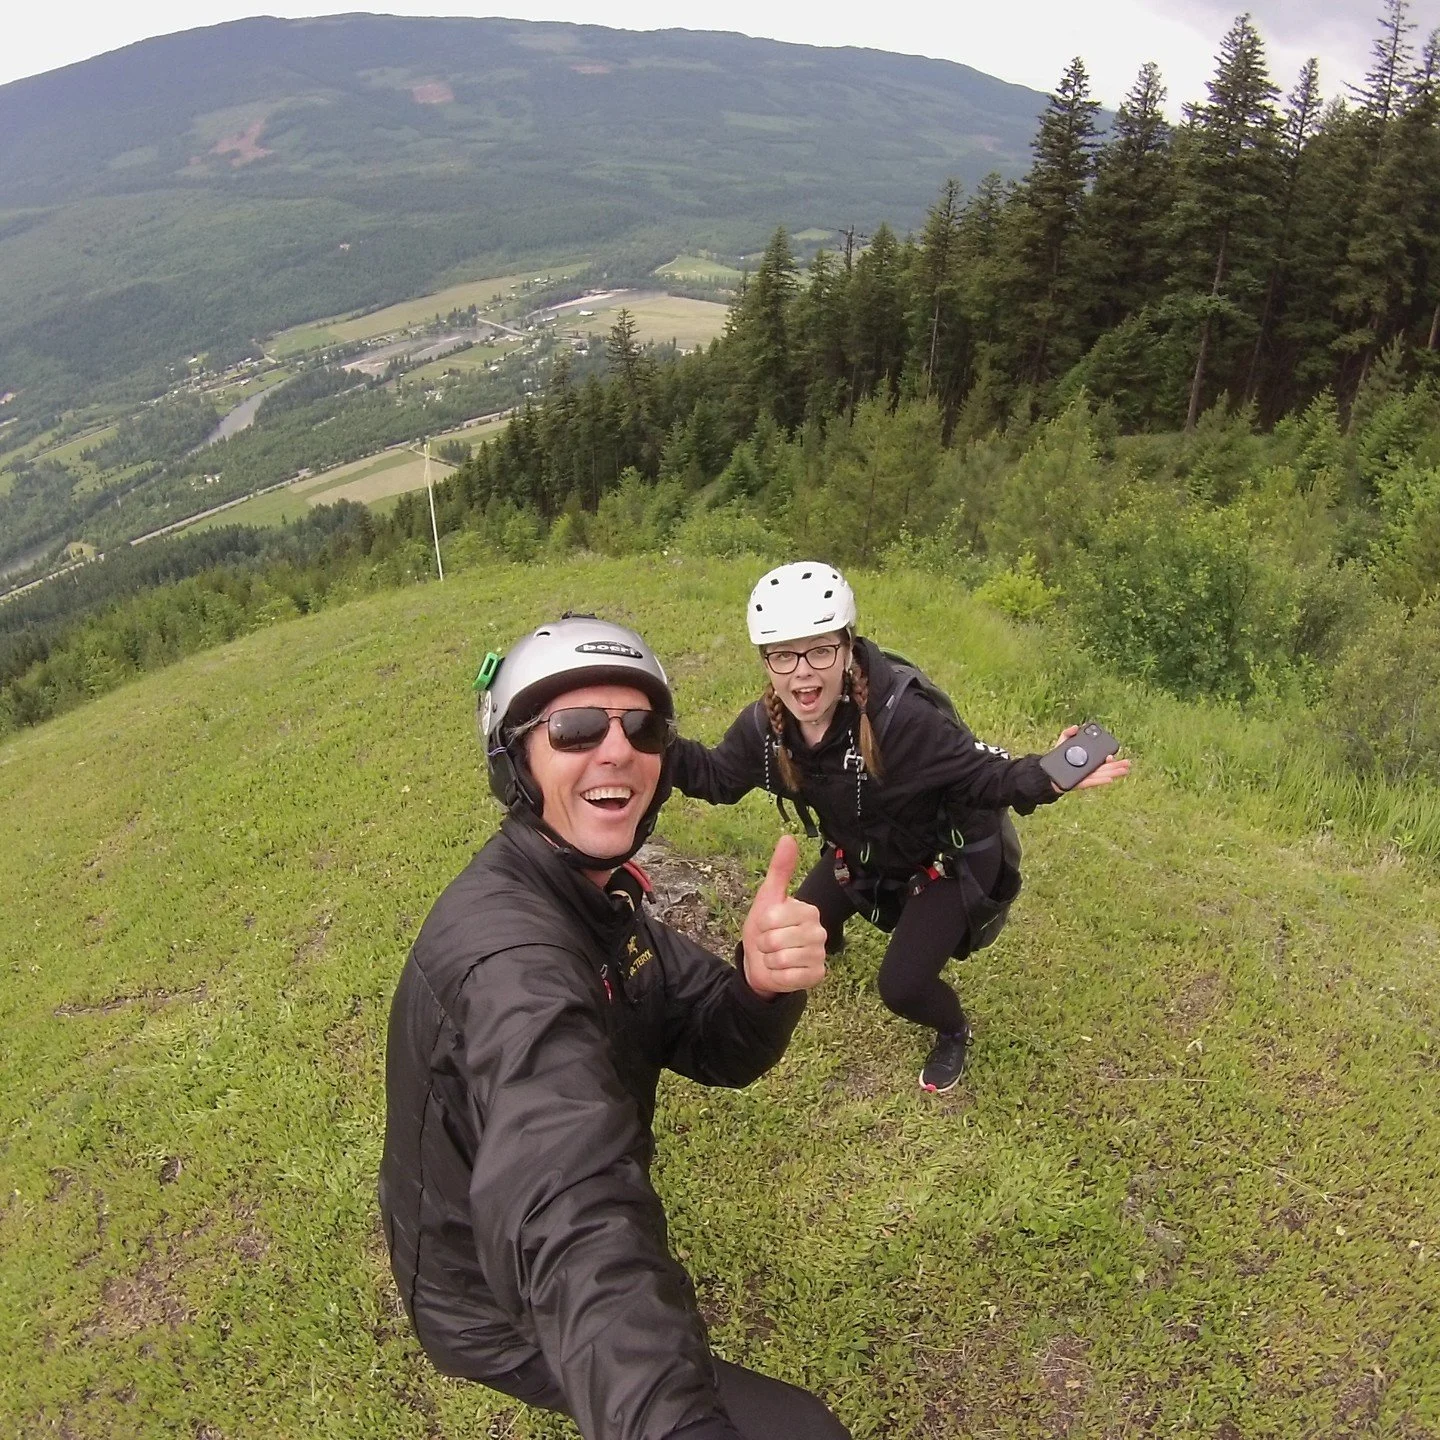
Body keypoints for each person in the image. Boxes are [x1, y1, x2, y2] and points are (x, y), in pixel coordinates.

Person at [378, 614, 850, 1440]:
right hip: (491, 1298)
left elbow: (710, 1038)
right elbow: (569, 1201)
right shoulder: (511, 962)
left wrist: (758, 986)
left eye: (644, 727)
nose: (616, 748)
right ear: (515, 761)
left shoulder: (594, 894)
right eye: (574, 728)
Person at [670, 562, 1131, 1095]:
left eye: (820, 650)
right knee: (781, 940)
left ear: (846, 647)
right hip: (860, 855)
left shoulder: (903, 721)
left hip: (939, 865)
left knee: (902, 986)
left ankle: (955, 1031)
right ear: (765, 661)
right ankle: (833, 934)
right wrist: (643, 740)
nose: (803, 674)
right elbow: (715, 776)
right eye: (783, 655)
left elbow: (984, 778)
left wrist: (1051, 775)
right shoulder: (766, 728)